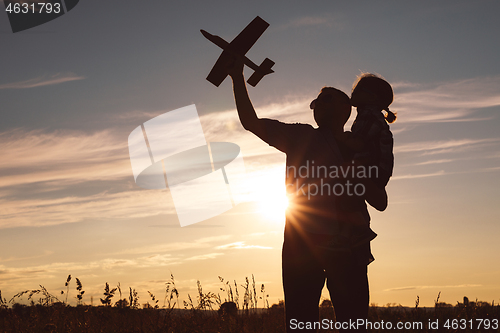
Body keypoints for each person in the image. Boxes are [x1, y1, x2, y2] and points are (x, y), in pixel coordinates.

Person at [227, 60, 388, 332]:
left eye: (325, 101)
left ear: (345, 110)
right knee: (300, 323)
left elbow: (379, 201)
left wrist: (355, 172)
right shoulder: (299, 135)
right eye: (316, 102)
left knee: (353, 322)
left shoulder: (358, 147)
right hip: (302, 245)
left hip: (349, 247)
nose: (317, 106)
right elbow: (250, 122)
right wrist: (237, 76)